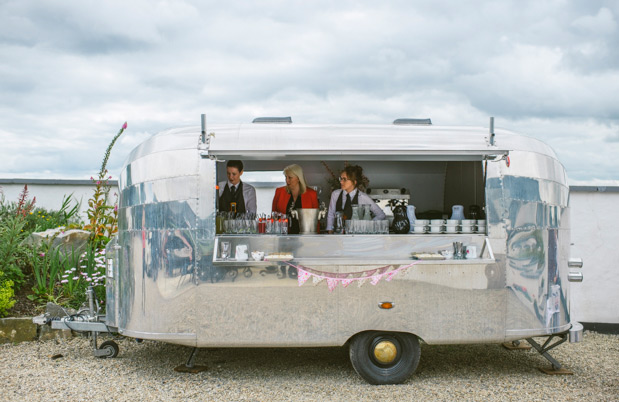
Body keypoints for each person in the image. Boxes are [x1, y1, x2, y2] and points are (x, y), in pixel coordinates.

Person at [326, 165, 386, 233]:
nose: (341, 182)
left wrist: (368, 225)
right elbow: (331, 214)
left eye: (344, 179)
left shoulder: (363, 197)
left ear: (354, 182)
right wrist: (330, 232)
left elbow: (381, 215)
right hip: (338, 236)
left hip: (356, 237)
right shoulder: (335, 194)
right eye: (341, 178)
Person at [272, 164, 319, 234]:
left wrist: (315, 239)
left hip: (305, 238)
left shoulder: (311, 194)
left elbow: (316, 220)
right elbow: (273, 216)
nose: (287, 180)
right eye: (286, 177)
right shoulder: (279, 192)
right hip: (283, 237)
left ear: (298, 178)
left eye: (290, 178)